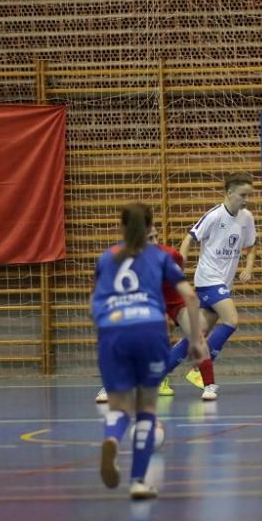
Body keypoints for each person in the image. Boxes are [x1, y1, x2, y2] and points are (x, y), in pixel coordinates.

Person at [91, 203, 206, 499]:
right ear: (150, 226)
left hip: (113, 330)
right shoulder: (161, 256)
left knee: (118, 407)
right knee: (146, 409)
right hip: (149, 329)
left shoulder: (107, 257)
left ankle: (112, 440)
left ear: (122, 227)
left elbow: (94, 304)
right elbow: (190, 297)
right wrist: (195, 341)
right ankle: (139, 481)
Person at [171, 172, 257, 401]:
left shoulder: (246, 217)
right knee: (232, 320)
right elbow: (190, 238)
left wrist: (248, 268)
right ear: (229, 193)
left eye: (249, 195)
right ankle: (200, 371)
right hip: (208, 279)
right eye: (242, 195)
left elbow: (251, 247)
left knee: (196, 335)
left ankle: (159, 375)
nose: (246, 199)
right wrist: (180, 266)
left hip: (223, 282)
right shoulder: (214, 216)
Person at [95, 225, 193, 403]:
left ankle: (158, 382)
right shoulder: (120, 259)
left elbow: (181, 282)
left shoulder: (165, 256)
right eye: (150, 238)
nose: (155, 242)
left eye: (157, 237)